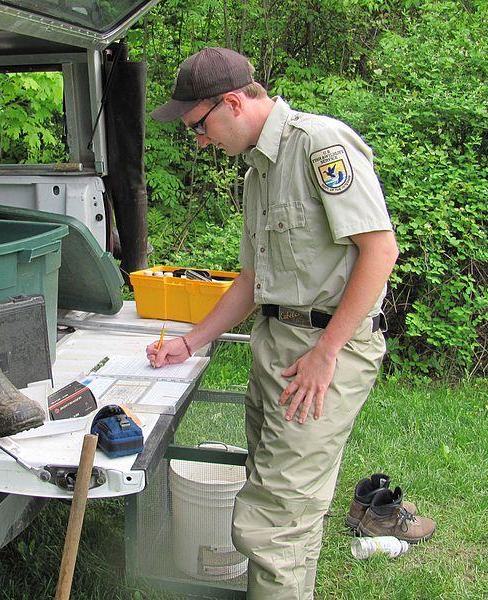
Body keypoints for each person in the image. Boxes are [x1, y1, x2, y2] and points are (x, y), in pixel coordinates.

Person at [147, 47, 399, 599]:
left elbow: (380, 251)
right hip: (278, 344)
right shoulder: (259, 170)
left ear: (232, 102)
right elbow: (252, 280)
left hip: (322, 351)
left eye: (199, 126)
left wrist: (328, 352)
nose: (199, 141)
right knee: (288, 504)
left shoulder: (319, 146)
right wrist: (190, 342)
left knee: (269, 523)